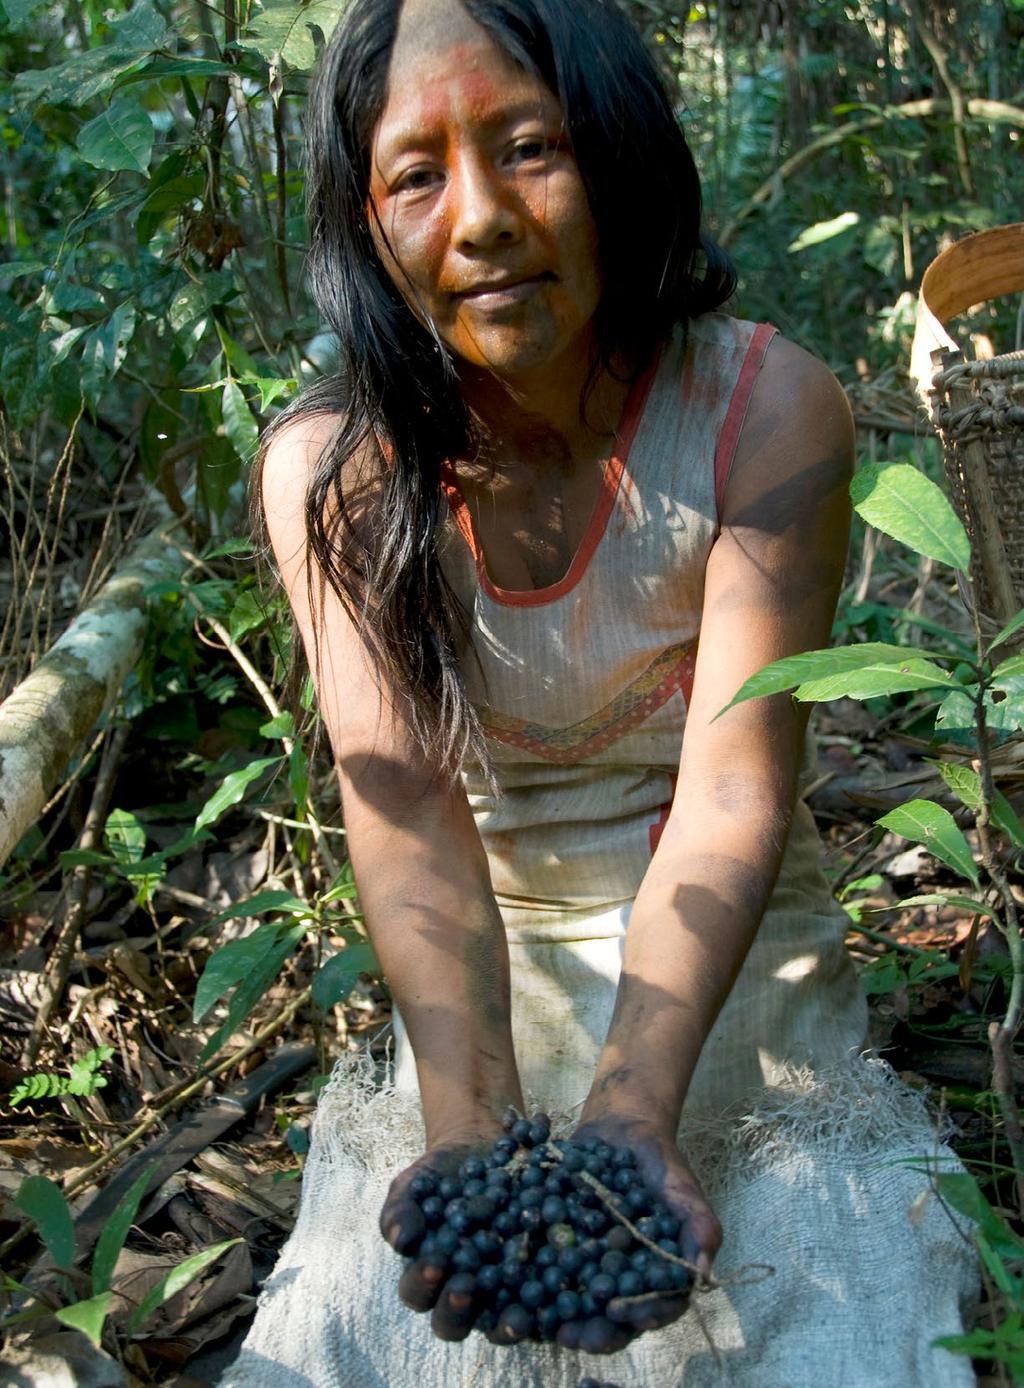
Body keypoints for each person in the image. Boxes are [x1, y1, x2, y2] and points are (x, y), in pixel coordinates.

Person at [222, 1, 977, 1384]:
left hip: (732, 962)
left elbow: (735, 790)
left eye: (531, 148)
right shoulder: (333, 470)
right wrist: (469, 1128)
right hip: (482, 987)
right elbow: (405, 811)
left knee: (822, 1315)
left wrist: (636, 1110)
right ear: (362, 222)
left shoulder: (765, 410)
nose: (485, 218)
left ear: (623, 157)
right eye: (415, 174)